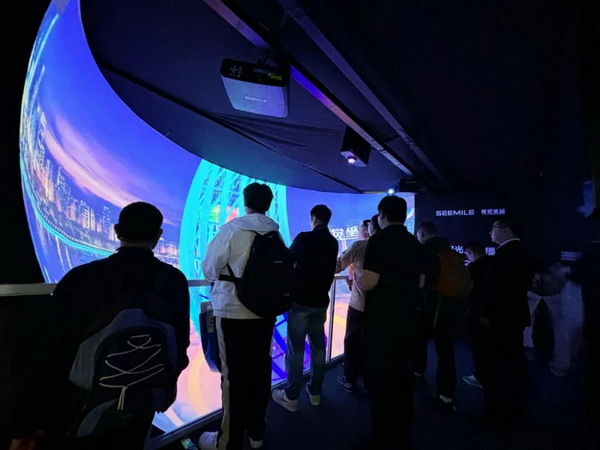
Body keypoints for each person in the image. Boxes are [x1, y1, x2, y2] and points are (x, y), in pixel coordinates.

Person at [50, 201, 190, 449]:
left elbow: (54, 344)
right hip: (145, 394)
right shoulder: (174, 280)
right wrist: (167, 385)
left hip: (84, 399)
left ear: (116, 231)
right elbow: (180, 343)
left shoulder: (81, 278)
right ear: (158, 235)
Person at [199, 182, 281, 450]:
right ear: (268, 204)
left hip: (232, 313)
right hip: (264, 314)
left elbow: (209, 269)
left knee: (232, 377)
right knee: (259, 371)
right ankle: (257, 433)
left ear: (245, 203)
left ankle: (227, 441)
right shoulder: (275, 233)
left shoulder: (232, 230)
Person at [358, 195, 425, 449]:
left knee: (381, 379)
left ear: (382, 216)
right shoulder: (414, 242)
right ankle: (403, 432)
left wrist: (359, 278)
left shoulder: (378, 241)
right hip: (408, 319)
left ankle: (381, 437)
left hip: (381, 322)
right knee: (402, 377)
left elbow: (369, 282)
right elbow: (421, 282)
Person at [271, 204, 338, 412]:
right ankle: (315, 392)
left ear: (314, 218)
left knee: (296, 350)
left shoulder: (303, 238)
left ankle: (291, 396)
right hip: (320, 303)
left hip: (300, 302)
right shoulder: (333, 242)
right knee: (318, 348)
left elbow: (287, 260)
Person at [481, 214, 537, 422]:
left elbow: (495, 290)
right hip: (515, 316)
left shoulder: (504, 255)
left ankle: (497, 413)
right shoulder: (523, 253)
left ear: (506, 229)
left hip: (499, 318)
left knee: (496, 364)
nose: (490, 232)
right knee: (513, 361)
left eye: (494, 228)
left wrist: (485, 313)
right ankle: (515, 407)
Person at [412, 221, 462, 411]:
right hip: (451, 308)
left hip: (430, 307)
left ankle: (418, 372)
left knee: (419, 341)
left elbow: (421, 282)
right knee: (446, 352)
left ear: (422, 234)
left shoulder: (425, 252)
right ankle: (447, 394)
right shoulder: (449, 250)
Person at [334, 219, 371, 393]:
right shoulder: (387, 248)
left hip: (359, 304)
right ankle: (367, 378)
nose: (358, 232)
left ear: (368, 229)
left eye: (360, 229)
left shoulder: (359, 246)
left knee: (352, 340)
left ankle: (350, 378)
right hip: (380, 307)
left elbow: (338, 265)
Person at [462, 240, 491, 390]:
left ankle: (481, 377)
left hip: (476, 313)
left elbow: (470, 291)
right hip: (491, 313)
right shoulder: (494, 265)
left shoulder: (473, 269)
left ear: (471, 253)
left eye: (467, 254)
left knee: (478, 347)